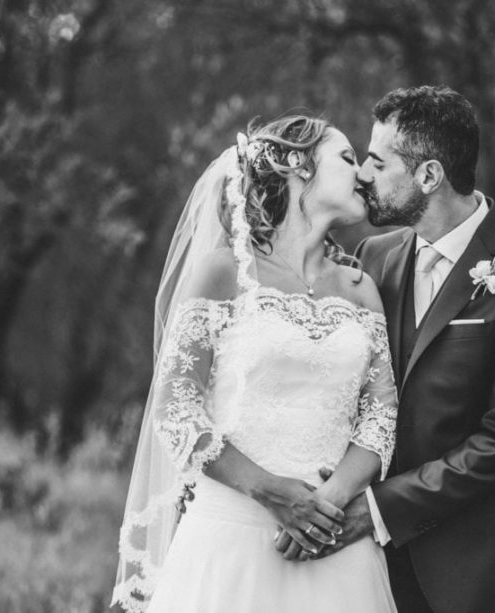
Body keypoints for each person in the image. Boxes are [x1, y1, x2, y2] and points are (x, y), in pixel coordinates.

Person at [111, 116, 399, 613]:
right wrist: (270, 491)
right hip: (230, 539)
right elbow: (176, 410)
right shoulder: (224, 272)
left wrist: (329, 501)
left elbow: (381, 417)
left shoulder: (359, 289)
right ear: (295, 165)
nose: (363, 175)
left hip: (332, 549)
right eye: (348, 159)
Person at [321, 86, 495, 613]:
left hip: (483, 568)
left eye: (377, 161)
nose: (362, 175)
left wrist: (380, 508)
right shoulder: (375, 256)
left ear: (429, 176)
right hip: (376, 572)